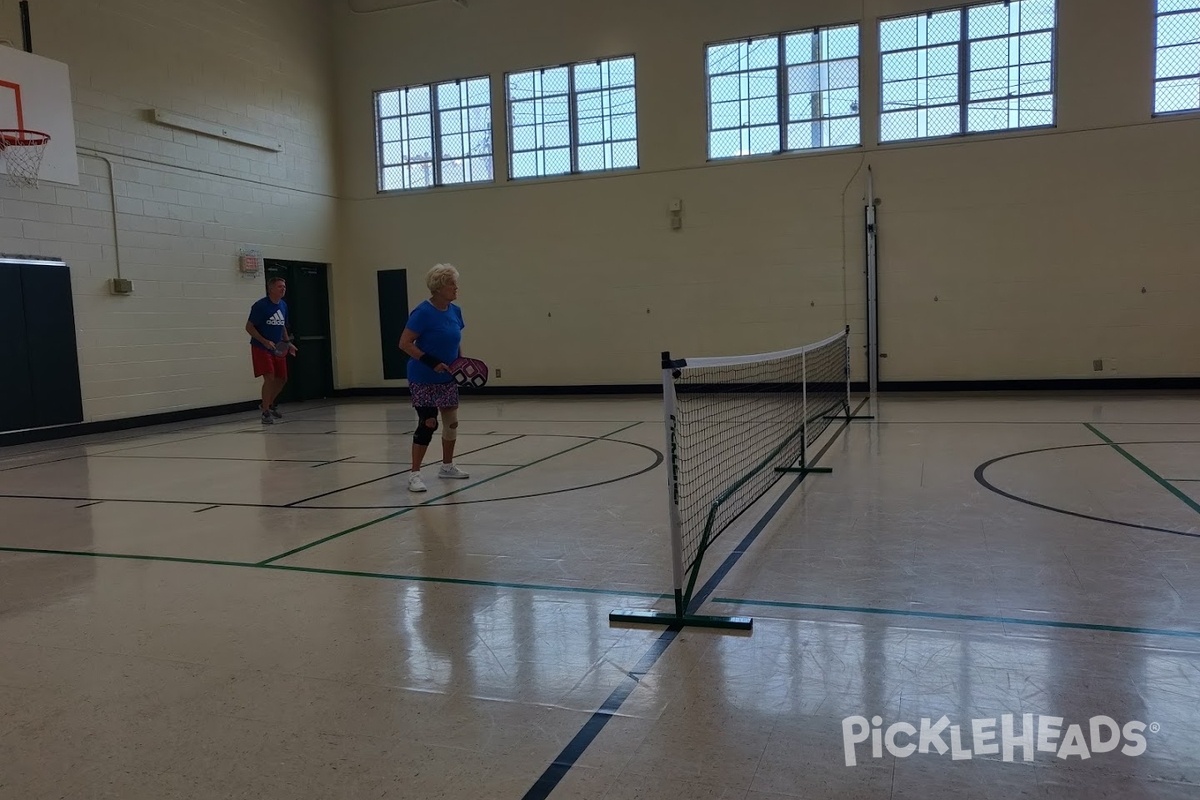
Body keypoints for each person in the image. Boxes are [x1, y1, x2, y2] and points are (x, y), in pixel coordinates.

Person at [399, 263, 470, 492]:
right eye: (452, 283)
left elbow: (455, 340)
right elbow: (404, 343)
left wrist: (459, 363)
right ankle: (415, 474)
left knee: (452, 423)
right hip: (422, 377)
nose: (456, 287)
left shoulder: (455, 311)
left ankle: (447, 466)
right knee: (428, 423)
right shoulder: (422, 313)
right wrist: (432, 362)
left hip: (447, 377)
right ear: (439, 287)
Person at [246, 277, 296, 425]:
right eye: (280, 286)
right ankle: (265, 412)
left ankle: (268, 403)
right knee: (270, 377)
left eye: (284, 286)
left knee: (282, 378)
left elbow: (282, 326)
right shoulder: (260, 306)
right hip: (261, 347)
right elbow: (249, 327)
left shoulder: (283, 306)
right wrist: (264, 341)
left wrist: (288, 343)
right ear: (271, 289)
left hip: (278, 347)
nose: (283, 288)